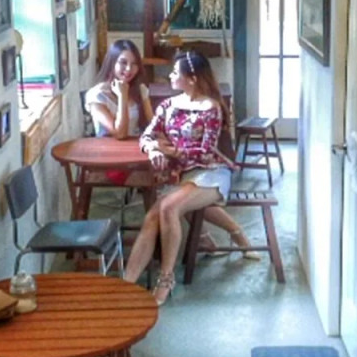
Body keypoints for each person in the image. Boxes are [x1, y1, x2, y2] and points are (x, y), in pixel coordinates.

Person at [123, 51, 257, 305]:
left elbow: (205, 150)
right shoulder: (168, 106)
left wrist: (171, 151)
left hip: (212, 171)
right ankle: (126, 283)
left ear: (192, 78)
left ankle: (166, 278)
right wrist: (153, 149)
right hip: (184, 173)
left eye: (175, 72)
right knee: (153, 216)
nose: (170, 76)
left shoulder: (211, 108)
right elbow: (147, 136)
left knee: (169, 207)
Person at [84, 39, 153, 139]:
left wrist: (145, 98)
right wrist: (122, 96)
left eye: (134, 64)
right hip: (108, 147)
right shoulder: (97, 95)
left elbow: (153, 126)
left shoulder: (139, 89)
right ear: (112, 63)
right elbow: (120, 134)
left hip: (137, 145)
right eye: (123, 62)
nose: (128, 69)